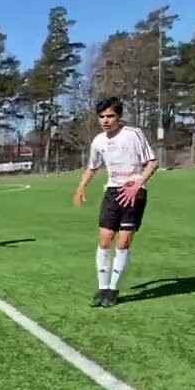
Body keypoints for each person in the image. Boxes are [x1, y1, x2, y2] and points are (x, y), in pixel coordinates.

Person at [74, 96, 158, 308]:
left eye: (110, 116)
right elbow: (92, 167)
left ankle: (113, 290)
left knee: (123, 242)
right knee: (105, 240)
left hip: (133, 193)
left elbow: (152, 163)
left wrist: (138, 183)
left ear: (119, 116)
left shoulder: (133, 134)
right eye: (101, 116)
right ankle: (102, 288)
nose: (105, 120)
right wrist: (81, 187)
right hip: (112, 192)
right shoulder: (98, 141)